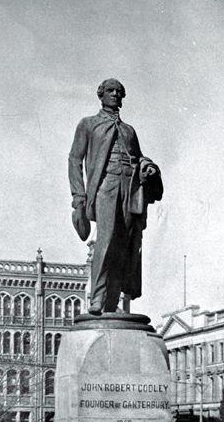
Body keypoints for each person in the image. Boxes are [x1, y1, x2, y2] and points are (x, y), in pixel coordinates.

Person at [68, 79, 162, 315]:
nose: (115, 95)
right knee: (106, 239)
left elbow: (138, 156)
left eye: (119, 92)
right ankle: (97, 298)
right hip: (105, 185)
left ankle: (112, 301)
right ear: (100, 95)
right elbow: (74, 160)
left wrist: (147, 166)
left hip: (130, 188)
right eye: (110, 91)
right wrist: (78, 197)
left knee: (125, 245)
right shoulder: (88, 124)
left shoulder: (129, 130)